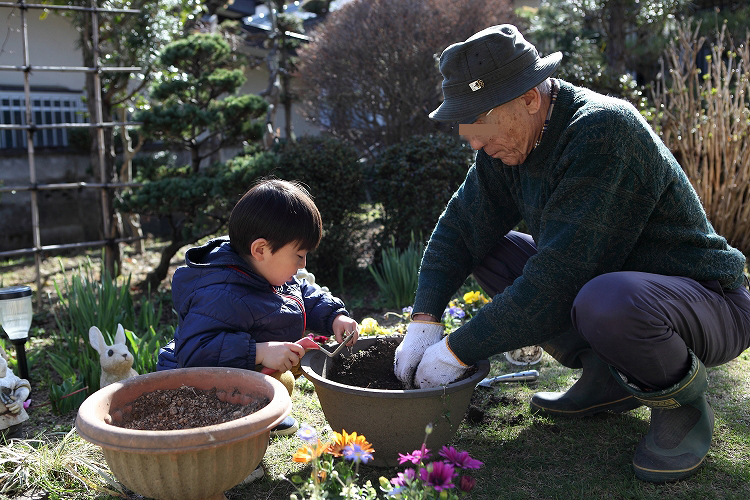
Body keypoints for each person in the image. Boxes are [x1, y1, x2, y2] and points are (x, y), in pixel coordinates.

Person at [393, 24, 750, 483]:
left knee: (607, 299)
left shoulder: (602, 132)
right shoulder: (508, 145)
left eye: (479, 119)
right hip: (621, 292)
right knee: (492, 252)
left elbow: (559, 279)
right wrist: (424, 322)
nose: (473, 139)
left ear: (529, 98)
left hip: (706, 303)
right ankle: (605, 377)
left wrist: (457, 351)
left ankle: (681, 404)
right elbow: (461, 230)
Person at [158, 178, 359, 441]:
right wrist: (259, 352)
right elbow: (195, 351)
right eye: (299, 255)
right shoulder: (222, 293)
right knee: (278, 383)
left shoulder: (265, 271)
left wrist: (335, 316)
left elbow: (303, 294)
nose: (303, 264)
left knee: (280, 381)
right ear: (261, 249)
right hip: (193, 387)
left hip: (236, 376)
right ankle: (242, 433)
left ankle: (260, 414)